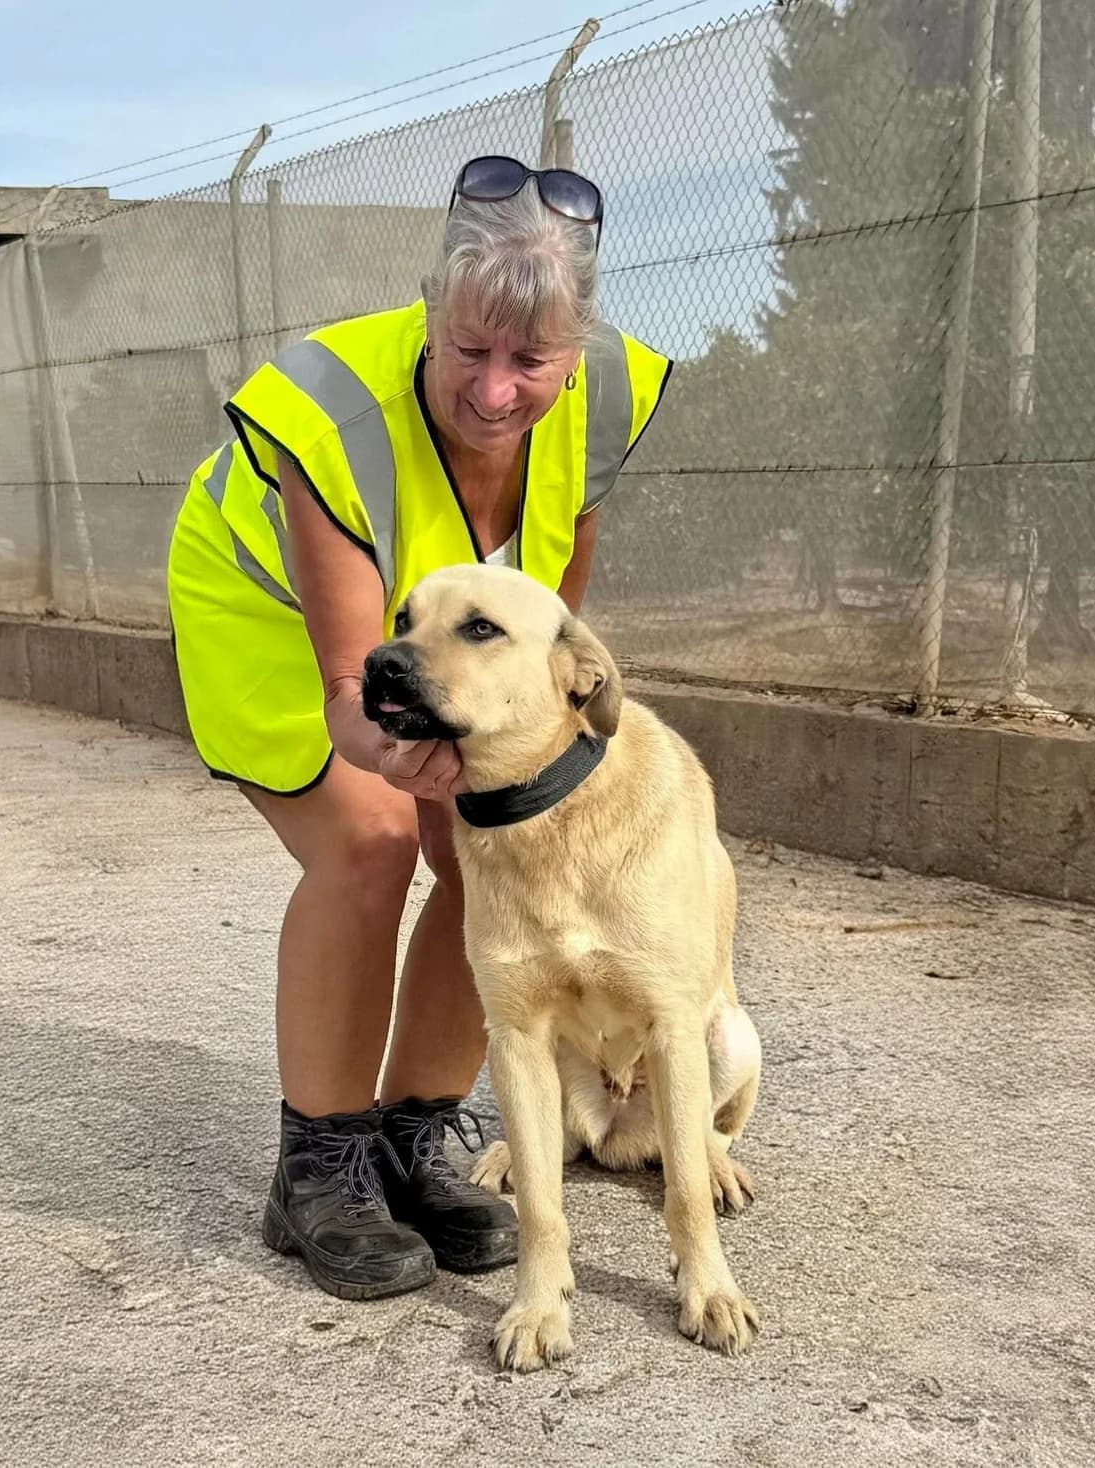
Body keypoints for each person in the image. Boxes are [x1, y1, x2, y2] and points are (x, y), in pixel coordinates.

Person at [166, 154, 673, 1300]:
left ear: (575, 348)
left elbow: (546, 611)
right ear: (431, 315)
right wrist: (406, 759)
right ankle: (319, 1172)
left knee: (489, 843)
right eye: (469, 352)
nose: (495, 392)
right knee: (376, 840)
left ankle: (410, 1141)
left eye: (529, 362)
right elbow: (352, 690)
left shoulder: (599, 397)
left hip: (431, 622)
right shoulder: (333, 413)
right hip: (266, 608)